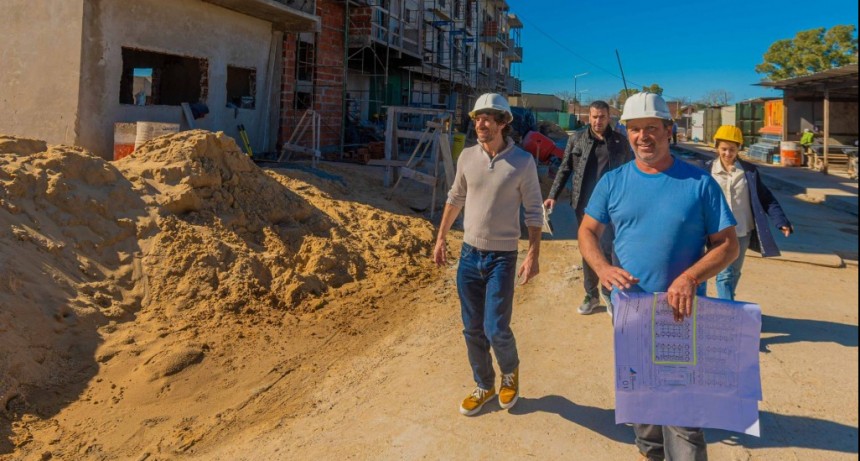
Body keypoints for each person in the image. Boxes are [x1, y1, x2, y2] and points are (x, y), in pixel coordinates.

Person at [578, 92, 739, 460]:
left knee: (682, 418)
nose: (642, 136)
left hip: (679, 316)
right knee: (643, 409)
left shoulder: (699, 183)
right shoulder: (613, 183)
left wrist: (690, 277)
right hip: (630, 313)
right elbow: (587, 231)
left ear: (669, 130)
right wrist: (602, 268)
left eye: (652, 128)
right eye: (634, 129)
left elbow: (728, 246)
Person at [433, 93, 543, 416]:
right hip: (469, 256)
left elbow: (534, 212)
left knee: (496, 327)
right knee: (472, 327)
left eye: (487, 118)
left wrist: (533, 254)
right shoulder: (467, 157)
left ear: (503, 123)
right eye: (477, 118)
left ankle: (510, 372)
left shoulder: (523, 162)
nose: (480, 123)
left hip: (502, 258)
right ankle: (484, 384)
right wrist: (441, 238)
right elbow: (455, 198)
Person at [544, 101, 633, 317]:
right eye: (594, 117)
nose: (598, 121)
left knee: (610, 248)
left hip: (613, 205)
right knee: (588, 247)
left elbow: (632, 172)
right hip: (584, 204)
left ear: (609, 117)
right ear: (589, 117)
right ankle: (591, 294)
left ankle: (608, 292)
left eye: (602, 116)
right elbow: (565, 168)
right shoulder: (577, 139)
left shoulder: (620, 142)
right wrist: (552, 196)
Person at [707, 125, 793, 301]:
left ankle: (729, 302)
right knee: (724, 274)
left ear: (739, 148)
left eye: (732, 149)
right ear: (716, 147)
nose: (727, 153)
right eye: (723, 149)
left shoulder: (749, 172)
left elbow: (766, 198)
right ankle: (728, 312)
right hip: (717, 232)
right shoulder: (707, 172)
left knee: (735, 272)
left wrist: (781, 221)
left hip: (742, 231)